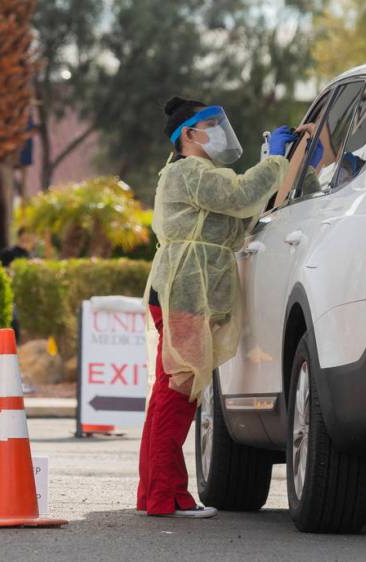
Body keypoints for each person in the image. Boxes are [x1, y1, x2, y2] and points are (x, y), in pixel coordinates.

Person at [137, 96, 310, 518]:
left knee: (170, 394)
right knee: (177, 396)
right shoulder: (191, 172)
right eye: (209, 124)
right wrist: (273, 161)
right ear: (189, 135)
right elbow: (244, 195)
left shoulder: (197, 174)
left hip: (184, 290)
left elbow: (244, 217)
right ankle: (163, 498)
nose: (217, 131)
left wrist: (289, 169)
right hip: (185, 292)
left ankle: (160, 493)